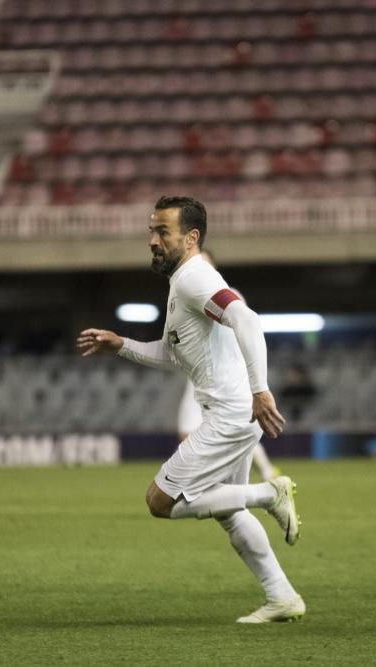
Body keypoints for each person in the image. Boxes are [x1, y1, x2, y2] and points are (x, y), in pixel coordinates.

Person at [77, 196, 304, 623]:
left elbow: (246, 318)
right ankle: (282, 597)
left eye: (163, 232)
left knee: (159, 500)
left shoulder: (194, 278)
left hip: (230, 415)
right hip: (236, 413)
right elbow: (172, 353)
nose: (152, 241)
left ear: (191, 237)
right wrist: (121, 344)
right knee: (227, 513)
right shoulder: (182, 281)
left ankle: (268, 493)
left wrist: (261, 390)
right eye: (151, 231)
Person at [177, 249, 280, 482]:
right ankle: (244, 481)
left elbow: (245, 326)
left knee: (230, 433)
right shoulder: (185, 295)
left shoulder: (228, 295)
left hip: (222, 376)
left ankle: (258, 478)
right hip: (197, 377)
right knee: (190, 435)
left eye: (203, 264)